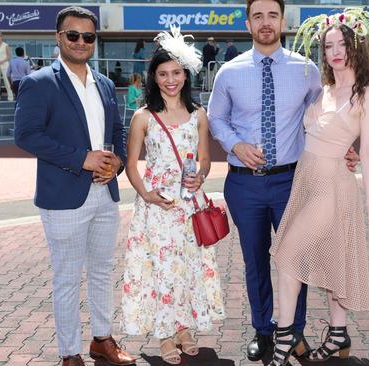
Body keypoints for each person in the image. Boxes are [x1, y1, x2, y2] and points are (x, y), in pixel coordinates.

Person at [207, 0, 358, 361]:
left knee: (297, 259)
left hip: (294, 181)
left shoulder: (306, 70)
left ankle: (294, 331)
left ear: (282, 20)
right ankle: (264, 331)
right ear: (247, 24)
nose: (265, 23)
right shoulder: (229, 72)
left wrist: (345, 145)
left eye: (272, 15)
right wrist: (236, 145)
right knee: (255, 260)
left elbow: (324, 116)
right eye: (257, 16)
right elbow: (216, 119)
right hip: (244, 184)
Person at [13, 6, 135, 366]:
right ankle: (70, 354)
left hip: (104, 194)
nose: (81, 42)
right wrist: (81, 158)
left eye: (88, 36)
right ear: (58, 37)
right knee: (67, 279)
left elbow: (117, 133)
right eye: (73, 35)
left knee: (102, 270)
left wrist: (119, 163)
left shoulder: (106, 83)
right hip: (63, 197)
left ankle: (102, 340)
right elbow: (26, 135)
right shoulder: (39, 82)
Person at [268, 7, 369, 365]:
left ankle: (285, 336)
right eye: (328, 46)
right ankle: (337, 334)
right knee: (332, 262)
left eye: (342, 44)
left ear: (357, 48)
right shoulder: (322, 89)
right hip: (305, 182)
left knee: (288, 255)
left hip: (334, 188)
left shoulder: (367, 95)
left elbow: (368, 150)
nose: (335, 51)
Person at [120, 26, 224, 365]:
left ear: (185, 74)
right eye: (163, 73)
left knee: (188, 267)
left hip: (189, 204)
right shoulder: (143, 117)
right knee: (161, 269)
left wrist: (201, 176)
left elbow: (206, 158)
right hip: (157, 206)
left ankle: (184, 329)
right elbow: (131, 164)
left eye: (176, 72)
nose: (170, 79)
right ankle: (165, 335)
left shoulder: (199, 115)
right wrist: (146, 194)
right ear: (153, 77)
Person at [0, 32, 13, 102]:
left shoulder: (5, 45)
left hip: (5, 65)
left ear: (1, 37)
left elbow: (9, 57)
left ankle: (10, 97)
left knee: (7, 81)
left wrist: (2, 61)